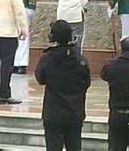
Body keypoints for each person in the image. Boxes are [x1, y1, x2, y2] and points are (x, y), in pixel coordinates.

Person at [35, 20, 91, 151]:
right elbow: (86, 83)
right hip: (75, 112)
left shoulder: (47, 59)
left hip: (53, 114)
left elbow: (40, 79)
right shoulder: (80, 60)